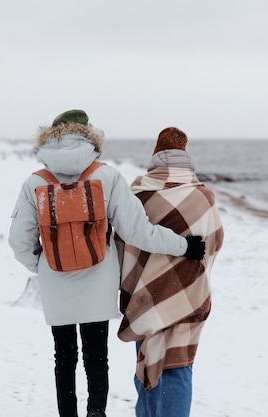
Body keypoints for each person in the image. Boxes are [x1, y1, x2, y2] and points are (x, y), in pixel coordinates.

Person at [8, 111, 206, 417]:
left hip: (55, 283)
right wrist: (185, 246)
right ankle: (96, 413)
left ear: (52, 137)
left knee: (64, 356)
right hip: (98, 281)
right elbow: (139, 232)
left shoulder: (34, 183)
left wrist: (44, 267)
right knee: (96, 356)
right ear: (88, 135)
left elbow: (19, 242)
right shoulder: (106, 176)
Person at [117, 127, 224, 417]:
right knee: (178, 367)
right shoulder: (204, 197)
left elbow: (124, 241)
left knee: (147, 362)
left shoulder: (139, 194)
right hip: (189, 295)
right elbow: (215, 241)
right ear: (186, 157)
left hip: (145, 295)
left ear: (155, 155)